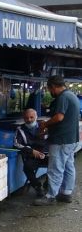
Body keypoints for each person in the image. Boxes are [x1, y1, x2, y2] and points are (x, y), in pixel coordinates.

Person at [34, 76, 80, 205]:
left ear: (53, 87)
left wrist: (45, 124)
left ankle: (50, 196)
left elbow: (59, 117)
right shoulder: (72, 95)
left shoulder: (63, 97)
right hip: (70, 139)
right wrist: (48, 130)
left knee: (55, 168)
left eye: (49, 89)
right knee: (68, 166)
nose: (50, 92)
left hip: (61, 140)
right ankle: (66, 193)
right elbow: (65, 121)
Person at [14, 108, 48, 197]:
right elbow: (16, 144)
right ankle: (37, 187)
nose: (29, 120)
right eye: (26, 118)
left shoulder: (44, 126)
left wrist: (45, 152)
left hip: (46, 154)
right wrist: (31, 151)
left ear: (36, 117)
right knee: (27, 167)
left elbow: (51, 140)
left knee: (57, 164)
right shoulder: (20, 129)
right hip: (32, 156)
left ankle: (48, 184)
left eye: (31, 117)